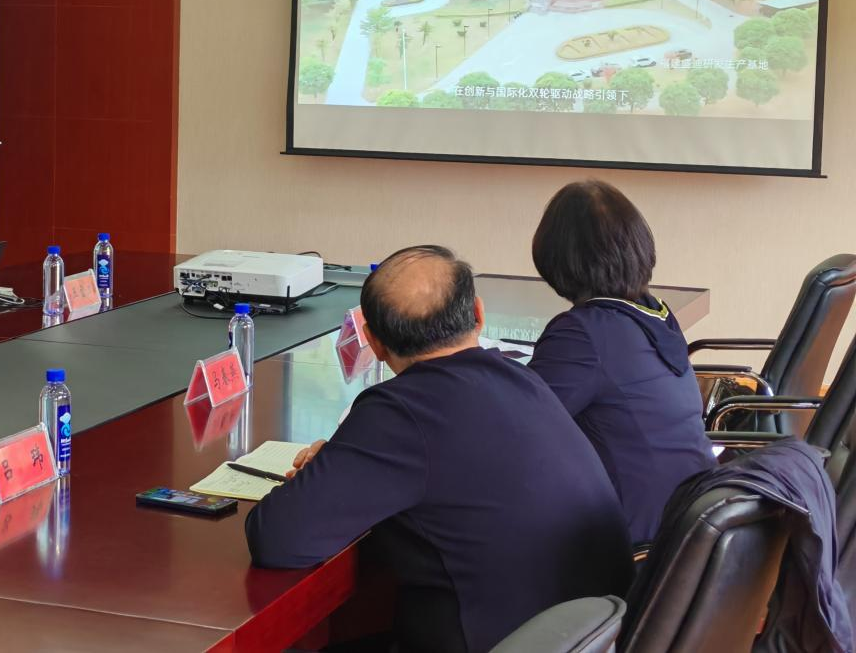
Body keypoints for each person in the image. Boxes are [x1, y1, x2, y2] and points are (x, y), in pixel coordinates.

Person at [246, 246, 632, 653]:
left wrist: (329, 470)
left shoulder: (402, 412)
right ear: (478, 314)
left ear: (373, 342)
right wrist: (345, 464)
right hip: (591, 638)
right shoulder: (525, 381)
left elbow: (278, 538)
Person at [528, 180, 714, 545]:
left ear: (556, 257)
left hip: (632, 543)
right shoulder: (655, 313)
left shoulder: (583, 334)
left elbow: (517, 426)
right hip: (683, 523)